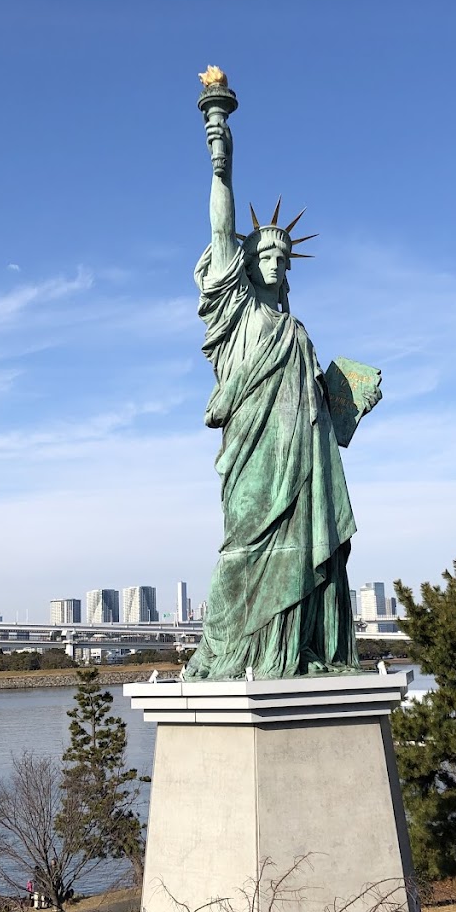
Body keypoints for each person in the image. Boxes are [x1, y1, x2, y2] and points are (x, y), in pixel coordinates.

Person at [185, 72, 380, 680]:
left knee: (308, 544)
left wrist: (348, 396)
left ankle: (300, 651)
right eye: (263, 253)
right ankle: (238, 650)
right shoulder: (236, 308)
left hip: (306, 455)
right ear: (247, 261)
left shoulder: (296, 329)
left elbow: (318, 402)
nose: (272, 260)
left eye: (281, 256)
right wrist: (221, 150)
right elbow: (221, 225)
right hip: (253, 447)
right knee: (244, 545)